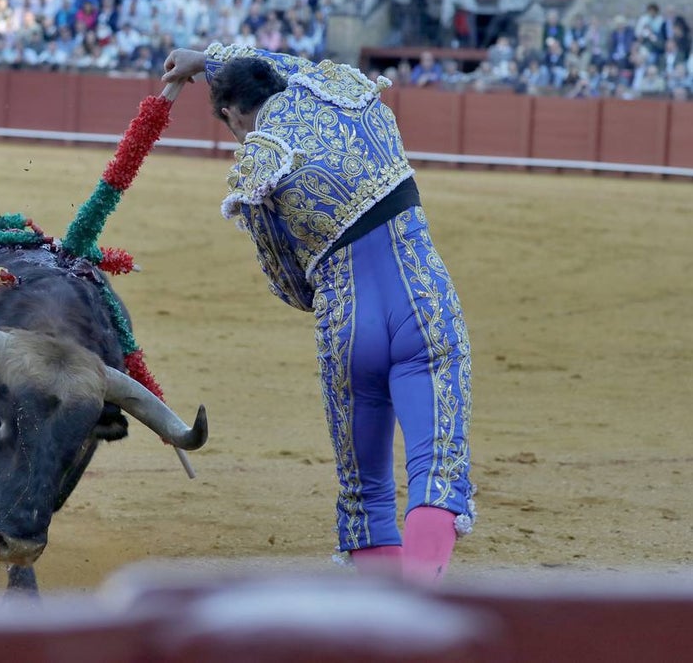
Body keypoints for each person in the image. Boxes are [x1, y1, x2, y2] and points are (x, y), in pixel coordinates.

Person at [161, 43, 476, 585]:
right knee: (436, 467)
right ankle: (420, 606)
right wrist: (208, 58)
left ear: (234, 115)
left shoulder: (259, 164)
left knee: (366, 494)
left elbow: (287, 281)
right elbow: (281, 63)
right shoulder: (336, 88)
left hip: (347, 324)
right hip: (422, 301)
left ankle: (379, 621)